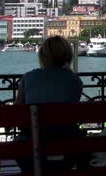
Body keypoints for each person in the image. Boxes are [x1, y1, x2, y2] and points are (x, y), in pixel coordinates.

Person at [14, 35, 85, 172]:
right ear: (67, 55)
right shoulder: (74, 80)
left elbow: (18, 115)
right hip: (67, 154)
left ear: (42, 55)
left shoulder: (28, 78)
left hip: (30, 156)